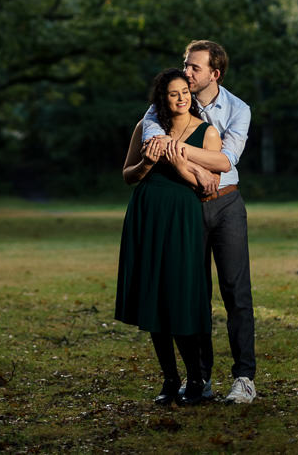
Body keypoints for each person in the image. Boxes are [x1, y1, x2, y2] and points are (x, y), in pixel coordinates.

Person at [140, 40, 256, 405]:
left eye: (194, 68)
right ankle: (200, 378)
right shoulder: (163, 105)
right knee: (193, 296)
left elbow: (227, 160)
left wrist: (177, 150)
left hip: (226, 206)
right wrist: (190, 166)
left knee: (236, 293)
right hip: (185, 207)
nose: (186, 73)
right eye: (185, 65)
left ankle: (244, 378)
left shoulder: (239, 110)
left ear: (214, 74)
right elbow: (150, 145)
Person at [115, 68, 231, 407]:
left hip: (183, 217)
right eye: (172, 94)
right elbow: (127, 175)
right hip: (148, 212)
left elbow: (208, 184)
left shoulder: (207, 133)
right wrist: (147, 166)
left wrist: (184, 166)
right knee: (154, 292)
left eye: (184, 92)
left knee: (183, 293)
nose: (180, 98)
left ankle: (196, 376)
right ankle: (170, 378)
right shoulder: (146, 129)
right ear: (162, 99)